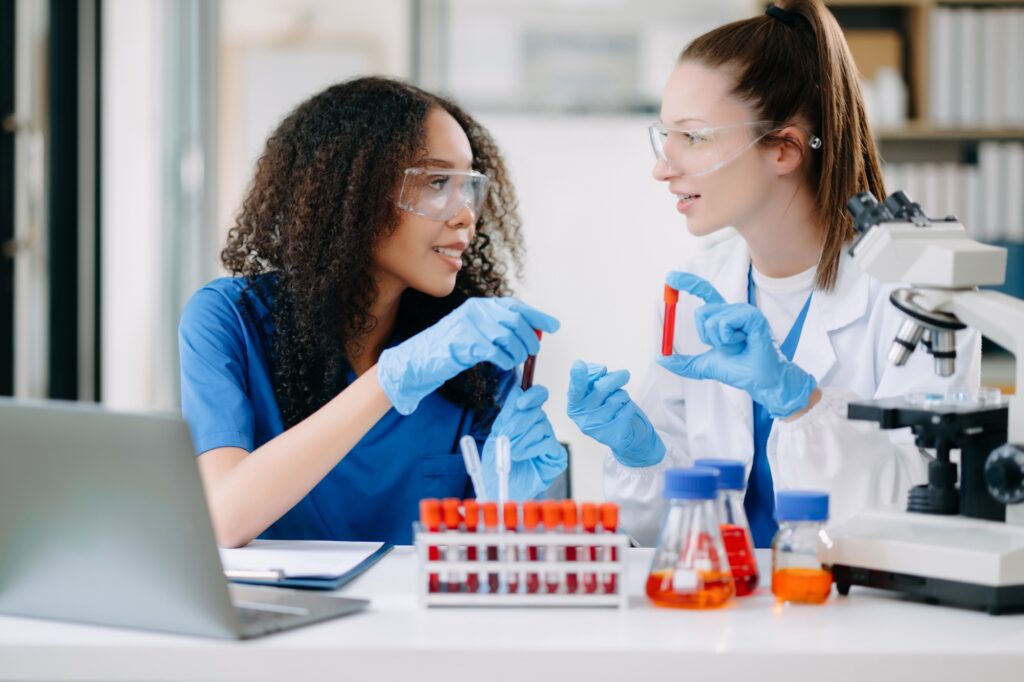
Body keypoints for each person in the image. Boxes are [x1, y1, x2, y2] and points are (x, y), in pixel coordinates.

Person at [566, 0, 979, 546]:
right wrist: (641, 452)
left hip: (858, 616)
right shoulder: (695, 290)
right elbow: (659, 534)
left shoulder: (918, 293)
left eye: (693, 137)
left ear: (784, 149)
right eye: (664, 136)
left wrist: (800, 402)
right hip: (726, 617)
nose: (663, 167)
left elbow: (929, 510)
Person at [179, 77, 566, 548]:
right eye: (438, 182)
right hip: (282, 617)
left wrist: (510, 509)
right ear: (352, 192)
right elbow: (223, 517)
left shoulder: (474, 355)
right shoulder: (228, 320)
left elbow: (487, 569)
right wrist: (388, 380)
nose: (465, 214)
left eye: (469, 187)